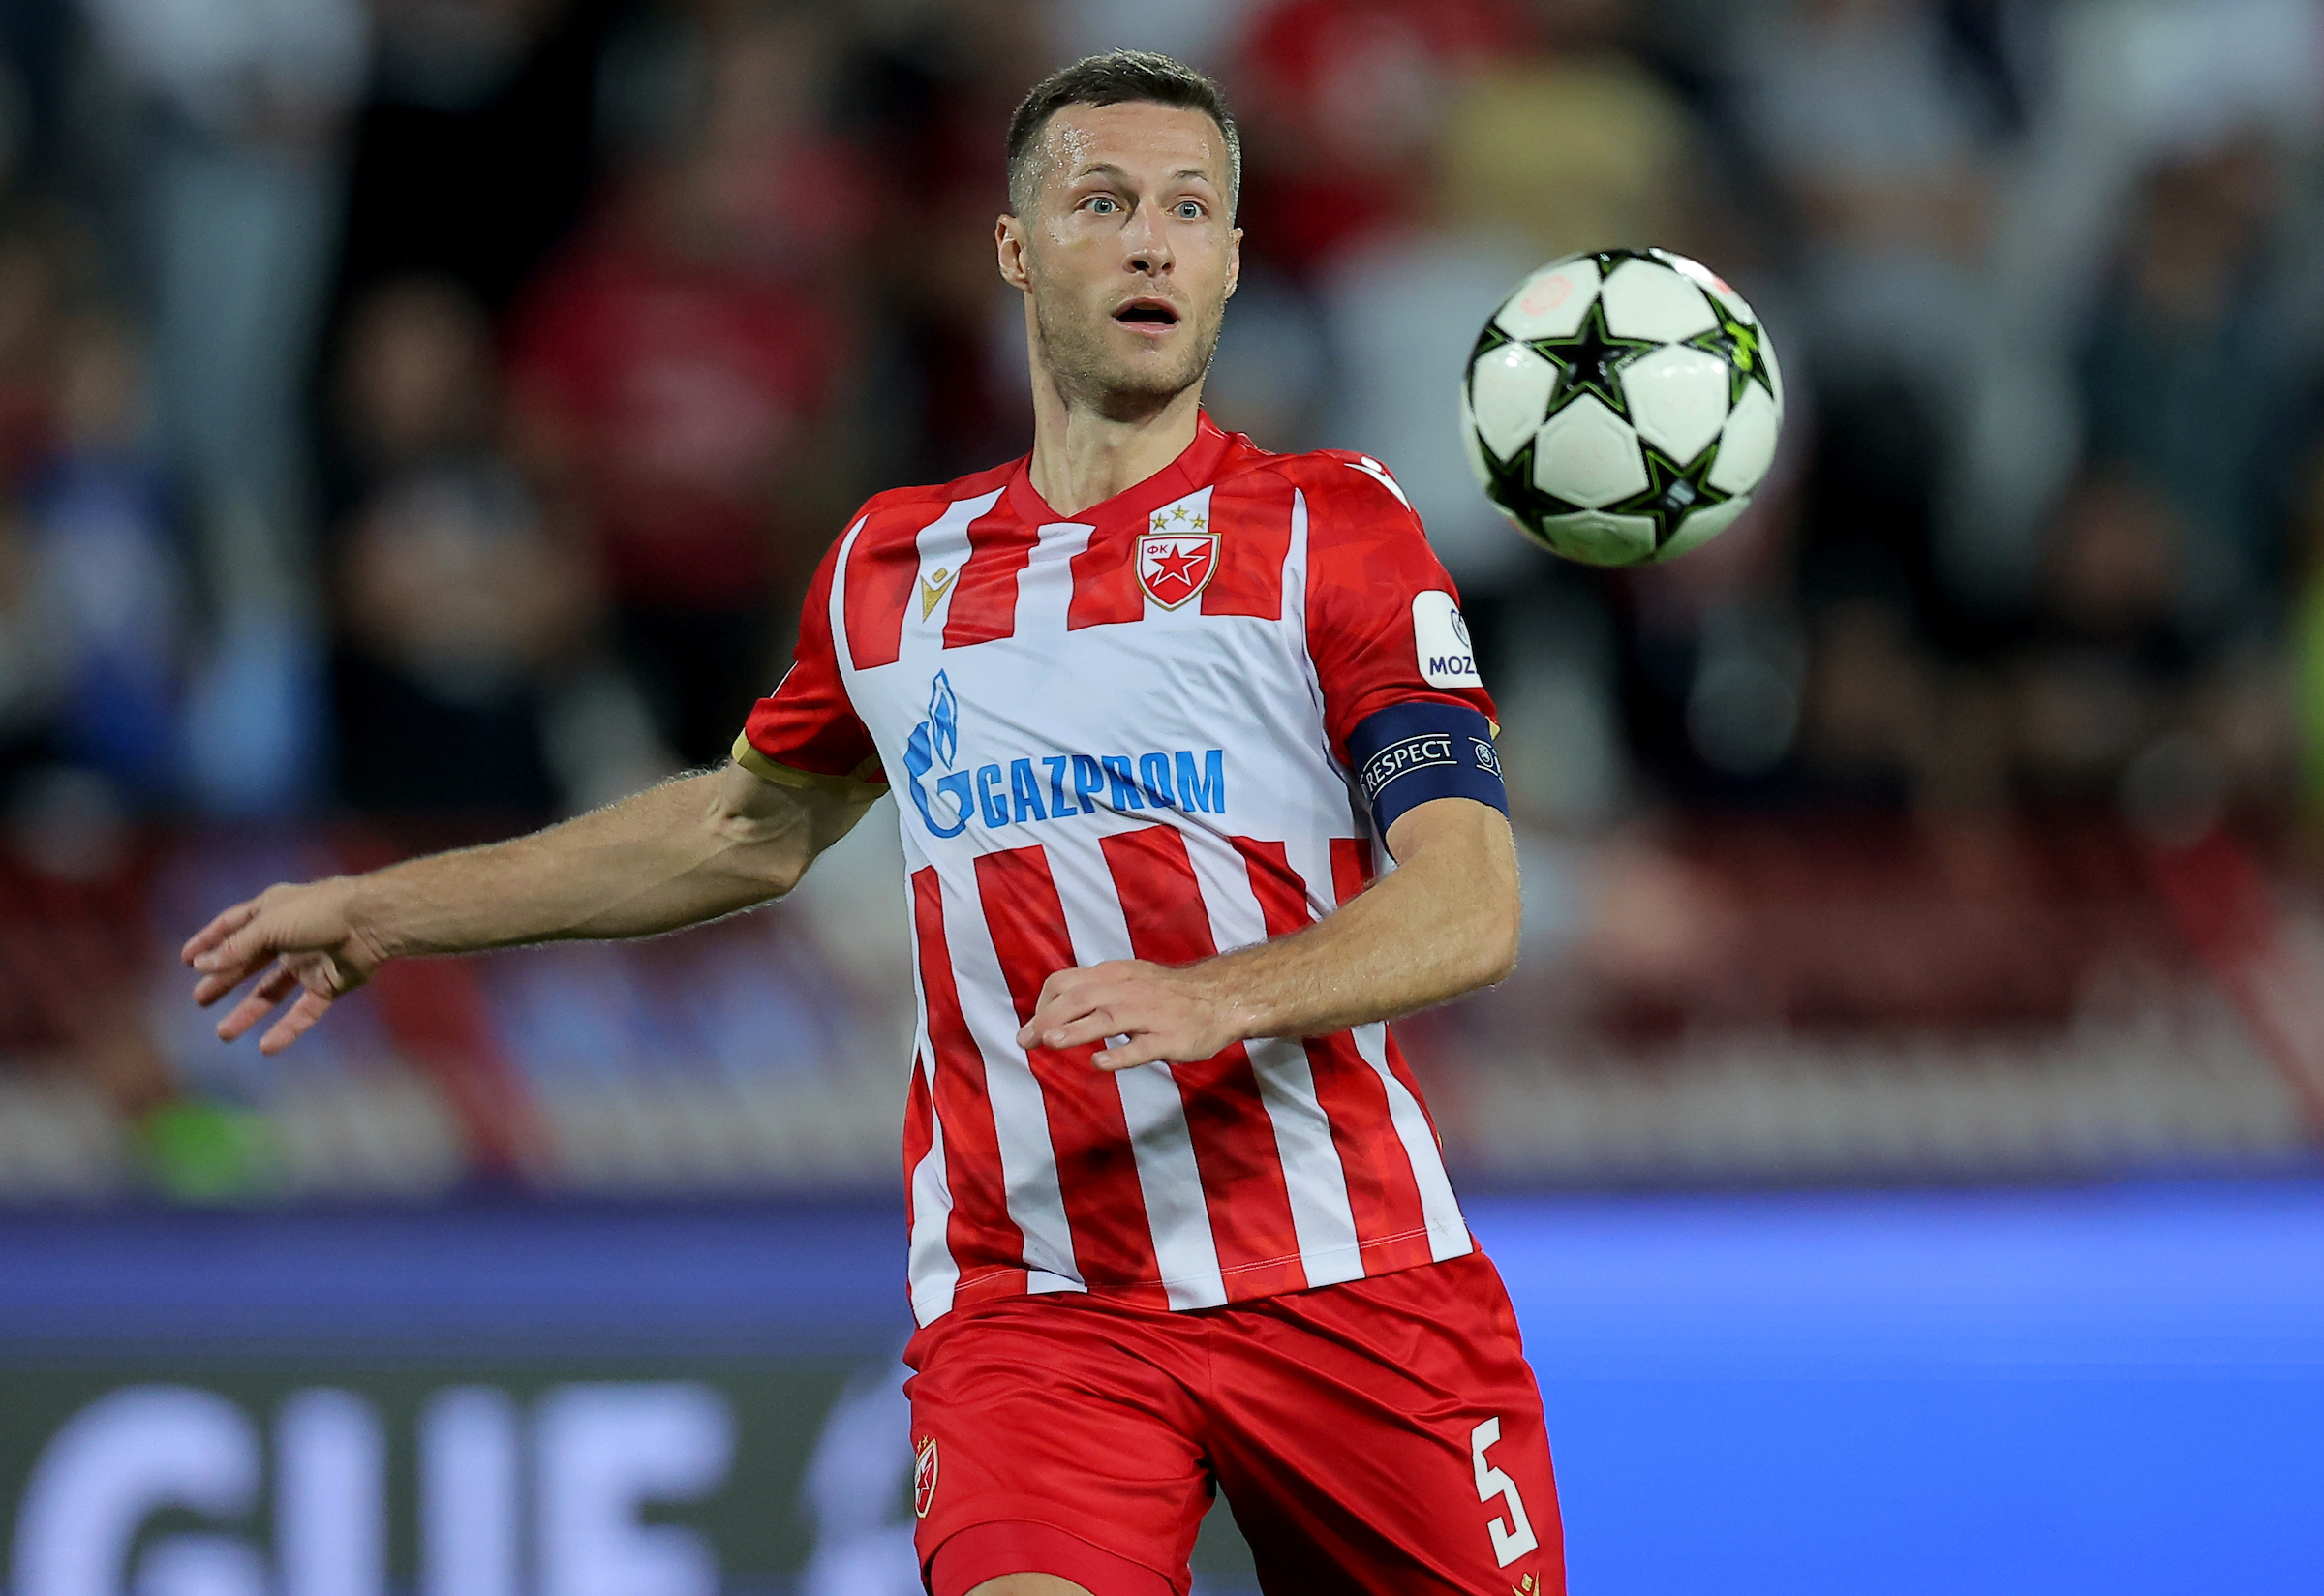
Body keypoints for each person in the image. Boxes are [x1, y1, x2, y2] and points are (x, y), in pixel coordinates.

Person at [183, 51, 1563, 1596]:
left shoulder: (1336, 531)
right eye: (1103, 202)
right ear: (1015, 249)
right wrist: (378, 914)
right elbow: (737, 832)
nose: (1153, 242)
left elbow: (1471, 901)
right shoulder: (891, 572)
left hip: (1355, 1287)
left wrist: (1215, 996)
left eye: (1193, 209)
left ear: (1236, 261)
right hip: (1040, 1306)